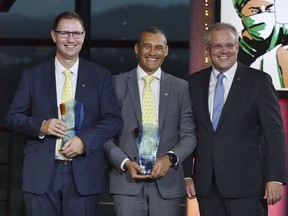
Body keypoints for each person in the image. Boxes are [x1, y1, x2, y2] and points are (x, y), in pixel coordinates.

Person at [5, 11, 123, 216]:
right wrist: (41, 126)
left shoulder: (100, 76)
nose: (71, 39)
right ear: (53, 36)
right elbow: (13, 119)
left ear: (84, 36)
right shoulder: (32, 75)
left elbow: (113, 120)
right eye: (64, 33)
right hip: (41, 174)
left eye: (76, 34)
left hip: (84, 174)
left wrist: (84, 141)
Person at [184, 23, 287, 216]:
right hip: (206, 187)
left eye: (230, 45)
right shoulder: (193, 83)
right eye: (217, 46)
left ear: (237, 47)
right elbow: (187, 132)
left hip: (247, 187)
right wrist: (186, 175)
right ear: (208, 49)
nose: (224, 51)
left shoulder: (259, 81)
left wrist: (275, 178)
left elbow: (274, 133)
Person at [103, 26, 197, 216]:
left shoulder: (180, 87)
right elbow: (104, 133)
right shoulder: (115, 84)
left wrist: (170, 159)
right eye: (147, 46)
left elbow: (189, 136)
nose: (153, 52)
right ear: (137, 49)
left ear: (167, 50)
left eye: (159, 47)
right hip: (126, 182)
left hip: (167, 184)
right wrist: (124, 162)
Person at [232, 0, 288, 88]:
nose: (263, 15)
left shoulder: (285, 32)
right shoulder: (234, 49)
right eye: (254, 11)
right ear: (240, 14)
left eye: (269, 9)